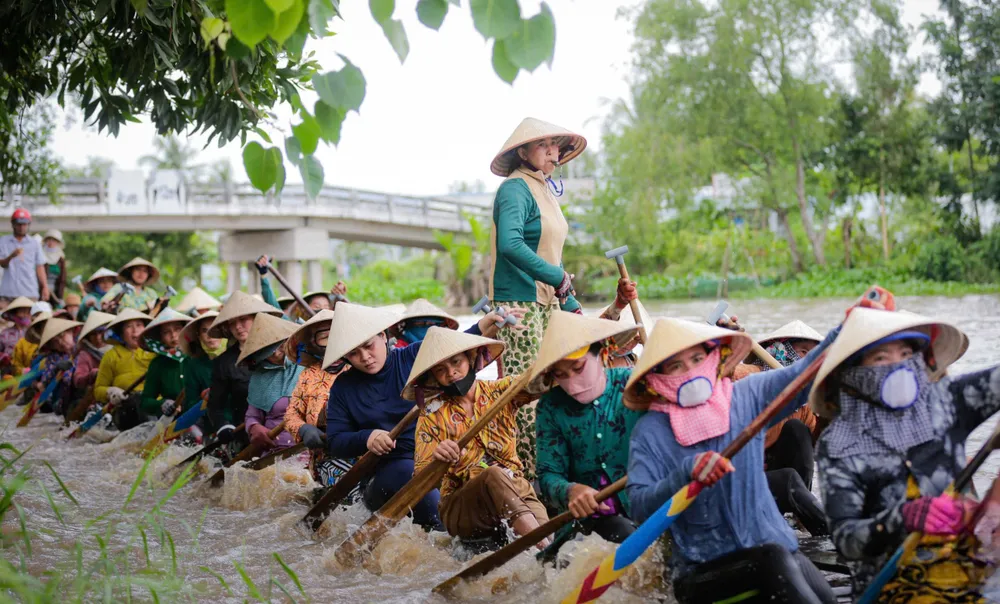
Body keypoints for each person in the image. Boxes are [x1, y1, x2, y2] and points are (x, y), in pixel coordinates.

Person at [625, 317, 839, 604]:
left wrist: (847, 329)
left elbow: (803, 375)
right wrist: (686, 474)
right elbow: (638, 506)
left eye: (697, 359)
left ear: (715, 358)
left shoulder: (746, 396)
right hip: (701, 570)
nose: (690, 372)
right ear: (656, 380)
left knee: (822, 593)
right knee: (773, 560)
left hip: (775, 548)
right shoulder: (650, 431)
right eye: (676, 366)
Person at [813, 308, 998, 600]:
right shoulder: (838, 443)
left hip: (970, 564)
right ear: (853, 373)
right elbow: (846, 539)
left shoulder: (946, 403)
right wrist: (903, 517)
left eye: (905, 354)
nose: (897, 367)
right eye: (881, 358)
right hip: (895, 583)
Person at [323, 303, 514, 530]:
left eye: (368, 346)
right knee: (421, 489)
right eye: (354, 353)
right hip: (390, 473)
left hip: (443, 456)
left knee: (486, 477)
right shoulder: (343, 388)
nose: (365, 357)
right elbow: (335, 442)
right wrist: (367, 438)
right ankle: (446, 530)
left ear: (383, 336)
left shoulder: (413, 356)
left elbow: (454, 347)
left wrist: (484, 324)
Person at [487, 117, 588, 480]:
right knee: (527, 394)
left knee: (556, 383)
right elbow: (510, 245)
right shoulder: (515, 189)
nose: (553, 151)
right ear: (523, 152)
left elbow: (548, 253)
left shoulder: (544, 188)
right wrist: (557, 277)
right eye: (543, 145)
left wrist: (567, 296)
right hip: (519, 307)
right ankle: (528, 480)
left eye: (555, 146)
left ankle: (555, 471)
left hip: (547, 303)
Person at [407, 327, 547, 547]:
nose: (451, 373)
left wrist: (548, 367)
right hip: (462, 506)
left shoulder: (501, 391)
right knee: (493, 474)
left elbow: (540, 383)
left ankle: (544, 546)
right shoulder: (431, 415)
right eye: (441, 370)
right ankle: (542, 548)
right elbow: (421, 482)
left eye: (456, 362)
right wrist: (440, 459)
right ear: (434, 377)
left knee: (546, 534)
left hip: (516, 487)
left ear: (470, 359)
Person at [534, 311, 644, 548]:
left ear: (602, 355)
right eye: (561, 375)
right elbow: (548, 475)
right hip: (591, 524)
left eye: (578, 368)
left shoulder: (635, 383)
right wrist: (571, 490)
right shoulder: (550, 407)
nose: (572, 383)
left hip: (648, 503)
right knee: (620, 531)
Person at [733, 320, 828, 537]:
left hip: (776, 480)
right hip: (740, 478)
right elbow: (722, 374)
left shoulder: (805, 402)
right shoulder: (751, 376)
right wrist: (728, 342)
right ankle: (832, 534)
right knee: (787, 480)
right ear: (781, 349)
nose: (805, 360)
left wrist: (825, 416)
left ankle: (801, 516)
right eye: (802, 351)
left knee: (797, 430)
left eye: (810, 356)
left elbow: (817, 449)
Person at [284, 310, 352, 486]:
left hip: (360, 449)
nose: (332, 341)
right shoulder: (308, 376)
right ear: (314, 343)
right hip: (321, 456)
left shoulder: (359, 367)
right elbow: (292, 414)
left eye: (337, 334)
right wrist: (303, 429)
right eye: (325, 337)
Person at [206, 291, 282, 443]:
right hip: (247, 435)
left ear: (257, 319)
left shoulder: (280, 351)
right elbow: (216, 406)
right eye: (232, 323)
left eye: (243, 319)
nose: (238, 327)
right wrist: (223, 426)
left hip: (287, 429)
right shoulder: (224, 362)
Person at [235, 313, 301, 453]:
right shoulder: (259, 377)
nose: (276, 353)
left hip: (310, 446)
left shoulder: (309, 364)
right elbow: (252, 416)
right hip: (276, 449)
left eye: (280, 346)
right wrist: (254, 427)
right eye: (269, 351)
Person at [94, 308, 155, 431]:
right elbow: (98, 391)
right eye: (129, 326)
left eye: (139, 325)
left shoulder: (156, 353)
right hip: (125, 410)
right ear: (121, 334)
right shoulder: (111, 356)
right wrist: (111, 392)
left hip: (156, 406)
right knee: (137, 400)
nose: (135, 330)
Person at [139, 308, 192, 420]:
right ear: (161, 338)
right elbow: (145, 401)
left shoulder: (199, 356)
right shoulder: (158, 364)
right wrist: (163, 404)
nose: (173, 335)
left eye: (178, 329)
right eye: (166, 332)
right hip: (173, 421)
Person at [177, 310, 225, 414]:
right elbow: (189, 404)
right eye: (204, 331)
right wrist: (204, 399)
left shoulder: (238, 357)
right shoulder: (193, 364)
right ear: (198, 336)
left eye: (215, 328)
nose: (210, 335)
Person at [33, 317, 81, 414]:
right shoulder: (53, 357)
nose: (60, 342)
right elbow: (45, 381)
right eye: (55, 341)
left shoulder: (82, 348)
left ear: (71, 332)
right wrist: (56, 368)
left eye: (62, 336)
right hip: (63, 399)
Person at [0, 209, 48, 302]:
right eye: (19, 224)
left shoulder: (35, 243)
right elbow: (2, 264)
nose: (22, 227)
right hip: (8, 293)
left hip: (29, 292)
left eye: (24, 224)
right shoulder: (3, 241)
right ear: (13, 224)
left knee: (31, 316)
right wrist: (11, 256)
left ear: (28, 225)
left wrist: (45, 287)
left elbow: (40, 267)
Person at [72, 311, 114, 397]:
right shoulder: (85, 355)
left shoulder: (117, 348)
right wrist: (93, 374)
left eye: (100, 332)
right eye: (93, 334)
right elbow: (78, 380)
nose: (98, 337)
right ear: (88, 336)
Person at [390, 299, 459, 347]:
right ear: (408, 325)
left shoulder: (444, 345)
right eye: (419, 324)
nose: (426, 327)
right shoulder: (398, 349)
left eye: (431, 324)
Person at [13, 304, 52, 376]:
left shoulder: (54, 340)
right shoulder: (22, 343)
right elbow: (16, 365)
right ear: (31, 319)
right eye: (37, 316)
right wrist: (23, 371)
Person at [41, 229, 66, 304]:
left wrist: (60, 297)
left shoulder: (60, 258)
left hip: (55, 293)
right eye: (49, 239)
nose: (51, 242)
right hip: (41, 291)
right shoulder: (41, 255)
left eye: (54, 240)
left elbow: (62, 279)